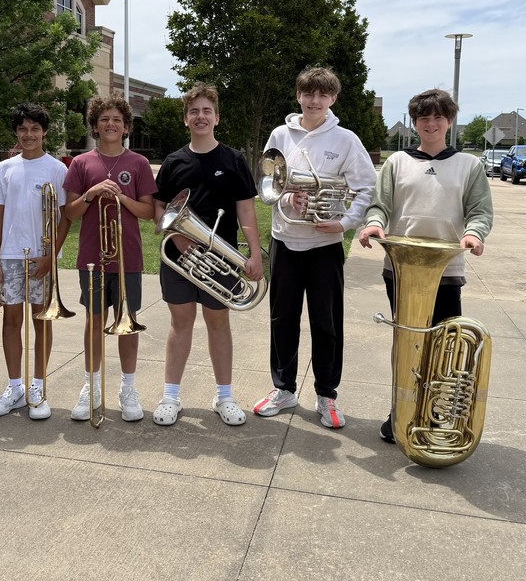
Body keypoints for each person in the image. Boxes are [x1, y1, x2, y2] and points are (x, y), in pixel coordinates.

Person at [357, 88, 493, 443]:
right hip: (401, 271)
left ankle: (432, 413)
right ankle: (400, 410)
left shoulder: (470, 165)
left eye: (438, 117)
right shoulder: (397, 162)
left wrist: (475, 235)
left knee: (443, 347)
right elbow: (380, 206)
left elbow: (480, 212)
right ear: (414, 123)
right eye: (423, 118)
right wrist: (373, 224)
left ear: (449, 121)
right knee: (407, 345)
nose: (430, 124)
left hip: (446, 272)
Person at [253, 67, 377, 429]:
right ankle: (284, 389)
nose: (315, 101)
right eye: (309, 94)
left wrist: (344, 222)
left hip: (326, 244)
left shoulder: (346, 140)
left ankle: (326, 394)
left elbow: (366, 189)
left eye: (322, 95)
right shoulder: (280, 134)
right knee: (282, 320)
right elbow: (269, 183)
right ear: (299, 96)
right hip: (285, 241)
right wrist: (288, 199)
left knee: (326, 323)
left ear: (333, 99)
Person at [152, 84, 264, 427]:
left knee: (218, 324)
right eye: (194, 112)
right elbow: (159, 208)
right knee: (180, 323)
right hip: (180, 255)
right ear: (186, 119)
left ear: (217, 117)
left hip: (222, 259)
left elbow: (245, 211)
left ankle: (224, 396)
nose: (200, 117)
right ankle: (171, 396)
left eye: (207, 111)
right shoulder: (174, 161)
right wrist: (180, 240)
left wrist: (256, 254)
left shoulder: (233, 159)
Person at [63, 95, 157, 422]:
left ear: (126, 126)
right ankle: (91, 386)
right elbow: (71, 213)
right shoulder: (81, 163)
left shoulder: (139, 164)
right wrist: (90, 194)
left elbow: (148, 212)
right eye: (104, 119)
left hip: (127, 257)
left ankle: (128, 389)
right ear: (95, 125)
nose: (110, 124)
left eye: (117, 119)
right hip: (93, 257)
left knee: (127, 324)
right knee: (94, 321)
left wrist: (121, 197)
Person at [0, 102, 71, 420]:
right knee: (10, 321)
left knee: (41, 320)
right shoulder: (5, 168)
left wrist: (50, 256)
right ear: (16, 133)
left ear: (44, 132)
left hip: (41, 257)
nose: (29, 134)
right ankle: (15, 387)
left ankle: (38, 386)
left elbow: (65, 219)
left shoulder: (58, 169)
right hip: (9, 255)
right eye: (23, 129)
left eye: (35, 128)